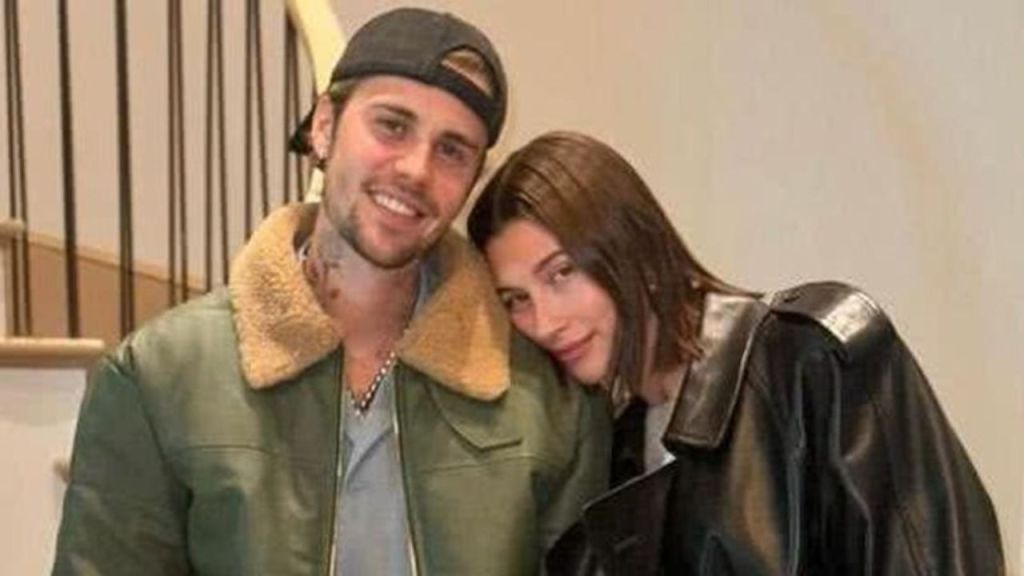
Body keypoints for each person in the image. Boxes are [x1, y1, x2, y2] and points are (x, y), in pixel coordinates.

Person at [52, 11, 610, 575]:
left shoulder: (551, 400)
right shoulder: (159, 376)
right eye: (392, 126)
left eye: (452, 151)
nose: (416, 169)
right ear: (324, 126)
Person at [467, 130, 1005, 575]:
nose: (544, 322)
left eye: (562, 273)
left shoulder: (807, 356)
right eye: (516, 300)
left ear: (632, 243)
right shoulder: (618, 453)